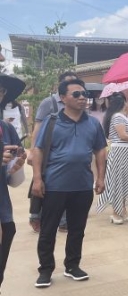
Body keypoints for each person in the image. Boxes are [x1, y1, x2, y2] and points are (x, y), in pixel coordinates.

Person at [32, 79, 107, 288]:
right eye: (76, 94)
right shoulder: (52, 121)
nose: (82, 98)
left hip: (82, 186)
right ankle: (45, 270)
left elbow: (100, 149)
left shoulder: (93, 123)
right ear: (63, 98)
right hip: (54, 185)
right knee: (48, 230)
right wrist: (37, 179)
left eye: (84, 94)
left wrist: (101, 177)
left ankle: (72, 266)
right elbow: (38, 149)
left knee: (77, 229)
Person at [28, 70, 78, 233]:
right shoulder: (48, 103)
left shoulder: (77, 103)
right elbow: (38, 127)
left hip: (67, 152)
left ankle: (63, 221)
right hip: (48, 151)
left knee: (66, 184)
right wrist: (33, 151)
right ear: (59, 85)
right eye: (68, 83)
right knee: (42, 182)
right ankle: (36, 216)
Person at [0, 75, 28, 296]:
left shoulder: (5, 129)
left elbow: (13, 181)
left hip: (3, 215)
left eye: (1, 91)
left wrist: (16, 167)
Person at [96, 93, 128, 224]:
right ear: (122, 103)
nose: (127, 104)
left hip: (126, 151)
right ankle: (116, 212)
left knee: (124, 180)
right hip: (121, 151)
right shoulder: (118, 116)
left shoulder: (123, 116)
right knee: (118, 181)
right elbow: (122, 135)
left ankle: (122, 210)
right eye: (126, 101)